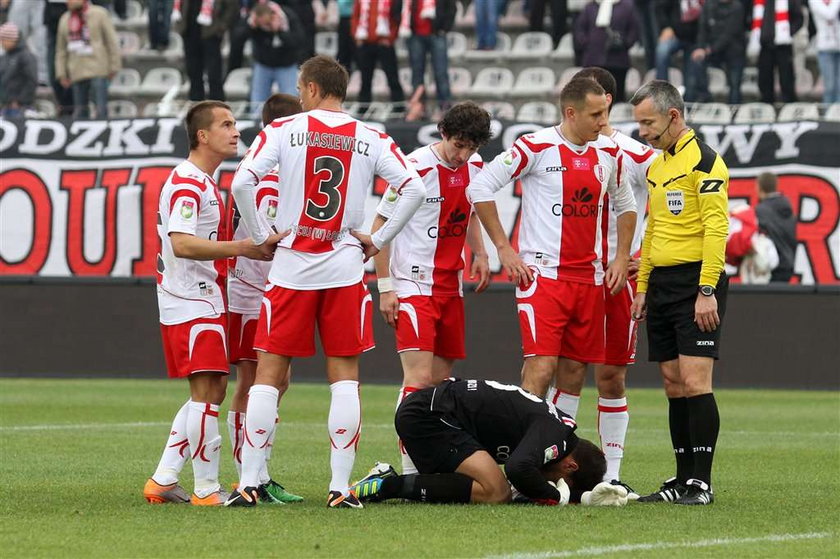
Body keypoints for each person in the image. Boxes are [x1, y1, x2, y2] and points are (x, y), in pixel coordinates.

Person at [226, 55, 425, 508]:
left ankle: (250, 483)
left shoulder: (283, 130)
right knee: (344, 378)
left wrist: (262, 237)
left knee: (267, 376)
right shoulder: (371, 135)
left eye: (300, 88)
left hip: (291, 267)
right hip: (344, 269)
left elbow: (242, 182)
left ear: (312, 89)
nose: (298, 95)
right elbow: (412, 187)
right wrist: (377, 239)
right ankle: (339, 488)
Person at [142, 101, 284, 506]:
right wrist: (241, 247)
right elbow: (182, 243)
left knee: (212, 390)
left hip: (199, 298)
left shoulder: (202, 181)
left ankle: (165, 477)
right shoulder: (188, 183)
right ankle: (206, 489)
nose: (235, 131)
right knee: (208, 391)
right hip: (189, 299)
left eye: (235, 123)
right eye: (226, 124)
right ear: (202, 135)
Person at [467, 77, 637, 401]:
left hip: (590, 278)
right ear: (571, 113)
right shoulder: (535, 146)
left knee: (573, 374)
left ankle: (556, 449)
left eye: (606, 113)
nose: (604, 122)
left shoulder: (610, 151)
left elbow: (626, 205)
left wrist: (621, 256)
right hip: (543, 275)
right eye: (596, 115)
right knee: (542, 368)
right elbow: (479, 187)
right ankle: (526, 447)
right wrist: (504, 248)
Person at [545, 67, 654, 492]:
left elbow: (671, 194)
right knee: (567, 371)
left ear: (606, 101)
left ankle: (612, 475)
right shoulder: (557, 147)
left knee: (611, 375)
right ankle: (555, 466)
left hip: (618, 278)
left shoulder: (634, 153)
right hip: (574, 275)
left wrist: (641, 255)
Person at [372, 101, 492, 475]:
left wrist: (481, 251)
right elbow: (380, 223)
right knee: (419, 378)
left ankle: (431, 459)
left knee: (439, 382)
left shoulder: (475, 167)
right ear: (443, 133)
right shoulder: (413, 168)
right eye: (459, 145)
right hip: (411, 283)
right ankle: (410, 468)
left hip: (449, 286)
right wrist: (386, 287)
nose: (464, 154)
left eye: (472, 147)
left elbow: (471, 210)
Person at [629, 80, 729, 506]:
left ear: (673, 116)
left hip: (696, 283)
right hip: (663, 285)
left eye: (648, 123)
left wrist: (707, 289)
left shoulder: (706, 163)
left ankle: (701, 484)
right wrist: (642, 286)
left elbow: (716, 230)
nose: (642, 132)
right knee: (672, 384)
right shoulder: (657, 167)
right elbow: (653, 231)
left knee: (694, 380)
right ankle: (682, 478)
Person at [349, 378, 631, 507]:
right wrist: (557, 497)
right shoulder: (556, 435)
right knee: (496, 491)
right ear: (570, 465)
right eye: (563, 481)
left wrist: (582, 497)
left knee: (485, 486)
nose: (555, 482)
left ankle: (390, 481)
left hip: (438, 411)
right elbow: (519, 470)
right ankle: (387, 484)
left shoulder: (559, 429)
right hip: (431, 416)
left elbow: (525, 477)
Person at [225, 93, 304, 505]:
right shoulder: (268, 173)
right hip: (253, 291)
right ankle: (248, 473)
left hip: (276, 289)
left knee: (276, 380)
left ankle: (258, 469)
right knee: (254, 380)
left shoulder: (275, 169)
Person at [55, 0, 121, 118]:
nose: (68, 2)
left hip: (98, 68)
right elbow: (61, 50)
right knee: (80, 111)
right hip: (76, 69)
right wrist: (62, 73)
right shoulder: (65, 19)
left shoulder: (99, 14)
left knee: (100, 108)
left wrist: (114, 66)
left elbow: (111, 41)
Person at [573, 0, 640, 101]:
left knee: (616, 97)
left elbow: (634, 30)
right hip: (593, 61)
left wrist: (624, 42)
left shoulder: (627, 7)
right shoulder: (590, 7)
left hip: (618, 62)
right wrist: (588, 43)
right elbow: (580, 30)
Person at [173, 0, 237, 101]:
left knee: (214, 74)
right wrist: (181, 26)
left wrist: (221, 27)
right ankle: (196, 106)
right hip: (189, 31)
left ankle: (217, 105)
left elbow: (231, 7)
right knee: (193, 72)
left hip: (211, 33)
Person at [248, 1, 303, 113]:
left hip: (286, 65)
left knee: (290, 100)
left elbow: (298, 41)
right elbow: (238, 39)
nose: (265, 25)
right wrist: (251, 27)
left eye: (266, 22)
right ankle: (256, 126)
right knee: (257, 102)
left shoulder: (288, 15)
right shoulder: (254, 21)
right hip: (263, 65)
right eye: (262, 23)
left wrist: (280, 31)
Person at [404, 0, 456, 116]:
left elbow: (451, 7)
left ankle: (445, 108)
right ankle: (419, 108)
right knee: (417, 73)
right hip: (415, 35)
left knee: (440, 72)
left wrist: (445, 28)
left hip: (436, 34)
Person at [352, 0, 406, 111]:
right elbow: (355, 17)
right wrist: (356, 36)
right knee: (365, 79)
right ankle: (363, 108)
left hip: (384, 43)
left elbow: (396, 18)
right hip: (365, 43)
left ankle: (399, 107)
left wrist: (390, 38)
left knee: (392, 77)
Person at [748, 0, 804, 104]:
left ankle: (789, 106)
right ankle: (766, 107)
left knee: (786, 79)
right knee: (765, 80)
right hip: (764, 45)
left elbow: (799, 19)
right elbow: (749, 18)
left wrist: (788, 32)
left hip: (783, 45)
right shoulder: (758, 2)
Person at [692, 0, 747, 104]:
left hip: (734, 51)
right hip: (714, 51)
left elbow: (729, 35)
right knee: (697, 60)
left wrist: (708, 50)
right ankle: (704, 97)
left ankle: (734, 111)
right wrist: (700, 47)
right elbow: (702, 29)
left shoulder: (737, 7)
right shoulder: (709, 5)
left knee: (735, 84)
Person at [653, 0, 708, 102]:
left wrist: (702, 45)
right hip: (675, 34)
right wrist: (666, 27)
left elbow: (708, 19)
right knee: (662, 50)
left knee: (691, 76)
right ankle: (662, 93)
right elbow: (660, 8)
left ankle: (689, 102)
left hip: (695, 39)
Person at [755, 172, 797, 283]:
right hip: (788, 265)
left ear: (759, 187)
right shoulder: (788, 209)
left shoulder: (760, 211)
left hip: (770, 268)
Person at [0, 22, 37, 118]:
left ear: (12, 39)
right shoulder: (4, 57)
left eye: (3, 39)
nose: (1, 43)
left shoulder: (26, 56)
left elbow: (32, 80)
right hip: (5, 106)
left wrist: (20, 101)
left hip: (21, 107)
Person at [808, 0, 840, 103]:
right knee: (829, 86)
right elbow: (829, 14)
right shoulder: (814, 1)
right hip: (824, 48)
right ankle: (828, 115)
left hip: (838, 46)